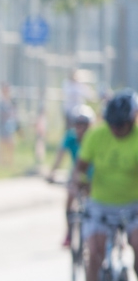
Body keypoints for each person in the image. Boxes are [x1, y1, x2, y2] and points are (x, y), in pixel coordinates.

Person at [74, 90, 138, 281]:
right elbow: (80, 169)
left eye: (121, 125)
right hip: (100, 204)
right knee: (93, 257)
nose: (116, 130)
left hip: (133, 205)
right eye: (112, 124)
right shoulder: (96, 134)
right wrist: (79, 185)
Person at [50, 105, 95, 248]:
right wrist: (52, 172)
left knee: (93, 204)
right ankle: (69, 233)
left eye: (84, 124)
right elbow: (60, 155)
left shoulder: (94, 138)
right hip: (76, 174)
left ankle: (93, 234)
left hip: (94, 176)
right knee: (70, 198)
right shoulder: (70, 137)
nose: (80, 128)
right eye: (77, 124)